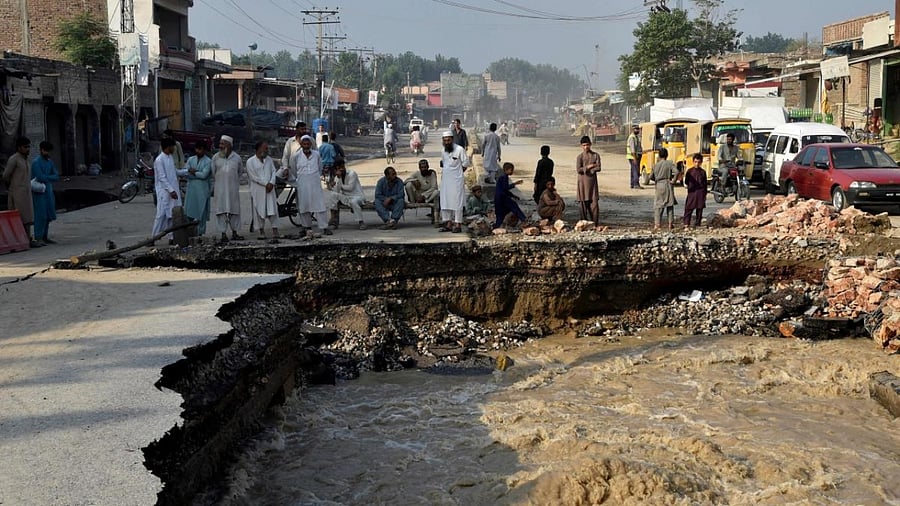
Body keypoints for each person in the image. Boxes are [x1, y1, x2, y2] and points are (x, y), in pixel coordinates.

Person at [291, 135, 332, 237]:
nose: (306, 145)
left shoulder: (316, 154)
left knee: (319, 205)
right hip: (302, 182)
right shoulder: (296, 156)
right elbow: (293, 170)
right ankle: (306, 227)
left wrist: (315, 176)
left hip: (315, 182)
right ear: (301, 144)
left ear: (311, 144)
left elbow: (319, 168)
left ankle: (324, 227)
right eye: (304, 144)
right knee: (304, 206)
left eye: (308, 143)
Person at [2, 137, 38, 247]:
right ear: (19, 148)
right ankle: (19, 241)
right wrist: (13, 187)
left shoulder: (25, 159)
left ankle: (28, 239)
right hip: (17, 193)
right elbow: (5, 176)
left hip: (26, 193)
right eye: (25, 147)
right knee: (18, 218)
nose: (28, 149)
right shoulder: (14, 159)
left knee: (28, 218)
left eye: (28, 147)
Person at [211, 135, 244, 242]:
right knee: (221, 212)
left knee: (234, 211)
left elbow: (240, 172)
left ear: (229, 145)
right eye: (220, 143)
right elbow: (213, 172)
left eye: (222, 144)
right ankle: (223, 234)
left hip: (232, 190)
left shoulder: (237, 158)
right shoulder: (215, 158)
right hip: (220, 190)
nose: (220, 146)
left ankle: (235, 233)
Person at [246, 140, 280, 240]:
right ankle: (261, 231)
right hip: (258, 190)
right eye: (265, 148)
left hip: (270, 189)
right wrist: (266, 184)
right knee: (259, 210)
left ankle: (275, 231)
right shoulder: (250, 161)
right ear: (259, 149)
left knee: (272, 209)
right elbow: (253, 177)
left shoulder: (268, 159)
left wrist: (272, 183)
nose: (267, 150)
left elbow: (274, 171)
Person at [177, 140, 212, 236]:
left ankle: (201, 234)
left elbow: (204, 175)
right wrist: (195, 173)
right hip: (191, 189)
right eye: (197, 149)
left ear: (204, 150)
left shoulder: (208, 161)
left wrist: (193, 172)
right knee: (189, 213)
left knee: (202, 214)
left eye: (200, 149)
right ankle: (189, 234)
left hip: (202, 190)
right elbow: (186, 173)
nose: (198, 151)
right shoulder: (191, 159)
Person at [438, 130, 471, 233]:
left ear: (452, 139)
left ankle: (457, 224)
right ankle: (448, 224)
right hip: (446, 180)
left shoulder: (459, 149)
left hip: (457, 180)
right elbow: (444, 162)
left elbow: (466, 163)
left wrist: (459, 172)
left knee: (457, 202)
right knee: (445, 201)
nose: (447, 142)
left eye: (448, 140)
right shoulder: (443, 150)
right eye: (445, 140)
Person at [151, 137, 183, 241]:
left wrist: (187, 171)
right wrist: (171, 190)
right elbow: (162, 177)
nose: (174, 149)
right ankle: (153, 238)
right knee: (161, 215)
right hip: (164, 192)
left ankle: (171, 238)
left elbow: (175, 172)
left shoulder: (170, 158)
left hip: (172, 191)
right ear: (168, 147)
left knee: (172, 215)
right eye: (173, 146)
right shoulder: (159, 160)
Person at [30, 141, 60, 244]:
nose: (47, 153)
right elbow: (40, 177)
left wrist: (48, 178)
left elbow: (56, 175)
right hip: (39, 191)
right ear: (41, 150)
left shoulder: (49, 162)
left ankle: (45, 236)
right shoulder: (36, 162)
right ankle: (38, 237)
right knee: (40, 215)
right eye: (46, 150)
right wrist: (50, 178)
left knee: (48, 215)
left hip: (48, 191)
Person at [327, 158, 367, 230]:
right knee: (332, 195)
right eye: (338, 169)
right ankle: (333, 219)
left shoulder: (352, 173)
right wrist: (332, 185)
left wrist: (339, 185)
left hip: (357, 196)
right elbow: (337, 191)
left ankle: (361, 222)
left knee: (353, 202)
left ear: (344, 166)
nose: (341, 170)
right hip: (346, 197)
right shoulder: (337, 177)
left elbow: (350, 188)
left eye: (341, 167)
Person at [651, 147, 679, 230]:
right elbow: (677, 172)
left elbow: (650, 176)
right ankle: (670, 224)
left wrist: (656, 180)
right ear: (667, 155)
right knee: (669, 205)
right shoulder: (669, 163)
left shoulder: (655, 165)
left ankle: (657, 224)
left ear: (659, 155)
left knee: (658, 206)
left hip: (659, 185)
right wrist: (673, 180)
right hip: (668, 184)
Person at [575, 135, 601, 223]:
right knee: (582, 203)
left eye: (587, 145)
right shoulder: (580, 157)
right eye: (584, 145)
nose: (586, 147)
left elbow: (598, 168)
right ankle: (584, 223)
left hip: (592, 184)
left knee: (594, 204)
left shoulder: (595, 155)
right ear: (581, 146)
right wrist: (590, 166)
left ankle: (595, 223)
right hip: (582, 183)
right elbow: (579, 170)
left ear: (590, 144)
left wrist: (590, 169)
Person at [494, 162, 526, 228]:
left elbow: (504, 189)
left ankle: (497, 226)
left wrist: (513, 196)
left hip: (498, 198)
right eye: (511, 170)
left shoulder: (502, 177)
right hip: (502, 197)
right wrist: (515, 184)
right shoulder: (504, 177)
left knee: (501, 213)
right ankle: (524, 220)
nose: (512, 171)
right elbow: (505, 188)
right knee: (514, 207)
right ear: (506, 170)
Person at [683, 153, 708, 228]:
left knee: (699, 209)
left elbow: (705, 183)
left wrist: (705, 194)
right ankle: (686, 224)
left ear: (701, 162)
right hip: (692, 192)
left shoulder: (703, 172)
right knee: (688, 209)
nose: (697, 164)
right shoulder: (689, 171)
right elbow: (686, 181)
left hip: (700, 192)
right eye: (695, 162)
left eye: (699, 162)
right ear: (693, 161)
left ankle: (698, 224)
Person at [627, 124, 643, 189]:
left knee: (633, 170)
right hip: (633, 156)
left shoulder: (636, 137)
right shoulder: (632, 138)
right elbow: (633, 149)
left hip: (634, 156)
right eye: (636, 129)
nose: (637, 130)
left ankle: (632, 184)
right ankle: (636, 184)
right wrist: (635, 158)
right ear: (633, 130)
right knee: (636, 170)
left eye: (638, 129)